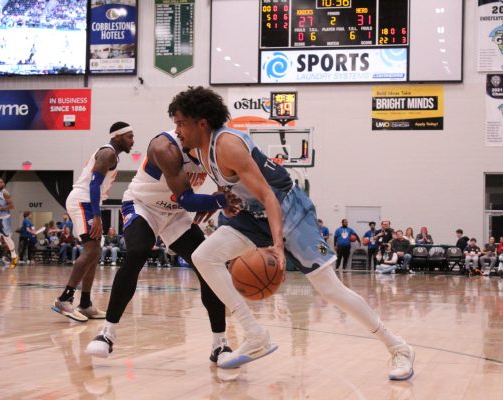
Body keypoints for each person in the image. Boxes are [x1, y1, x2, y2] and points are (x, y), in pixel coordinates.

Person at [169, 86, 414, 380]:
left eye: (181, 122)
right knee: (204, 256)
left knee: (329, 289)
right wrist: (222, 198)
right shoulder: (199, 150)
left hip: (288, 209)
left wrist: (276, 246)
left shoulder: (227, 145)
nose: (177, 129)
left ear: (202, 122)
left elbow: (269, 196)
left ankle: (397, 347)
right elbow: (232, 184)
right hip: (253, 215)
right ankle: (255, 333)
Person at [85, 128, 238, 363]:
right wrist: (217, 201)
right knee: (138, 251)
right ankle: (106, 334)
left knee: (209, 266)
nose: (178, 127)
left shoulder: (216, 150)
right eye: (177, 122)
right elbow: (188, 199)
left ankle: (220, 343)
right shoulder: (164, 146)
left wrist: (221, 194)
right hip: (143, 206)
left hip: (175, 215)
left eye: (183, 122)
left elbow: (227, 187)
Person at [51, 122, 134, 322]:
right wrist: (97, 216)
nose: (133, 140)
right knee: (91, 250)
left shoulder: (111, 154)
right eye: (129, 136)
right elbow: (94, 183)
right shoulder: (108, 153)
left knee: (95, 250)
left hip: (89, 201)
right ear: (117, 136)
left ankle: (86, 303)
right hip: (84, 200)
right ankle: (64, 299)